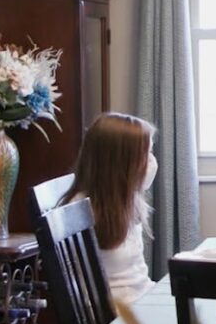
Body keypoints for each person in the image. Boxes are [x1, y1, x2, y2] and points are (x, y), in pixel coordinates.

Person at [59, 112, 160, 305]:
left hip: (141, 299)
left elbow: (136, 276)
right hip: (120, 314)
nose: (151, 162)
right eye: (145, 155)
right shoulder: (82, 211)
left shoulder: (126, 202)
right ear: (121, 163)